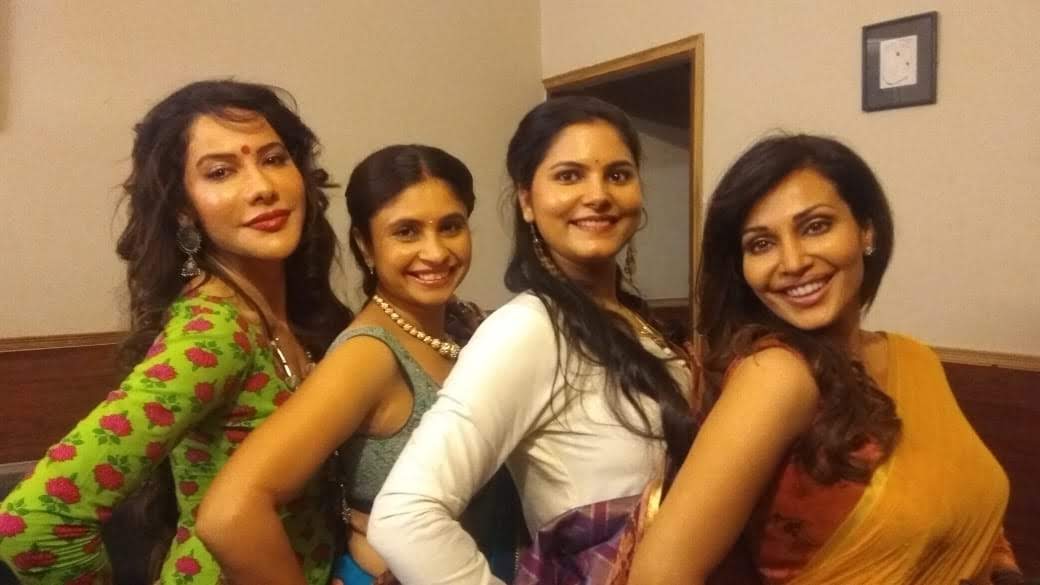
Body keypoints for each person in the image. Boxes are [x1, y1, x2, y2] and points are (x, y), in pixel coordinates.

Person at [627, 134, 1023, 584]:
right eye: (761, 244)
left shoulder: (915, 359)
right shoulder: (777, 376)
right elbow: (657, 575)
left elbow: (970, 510)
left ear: (866, 230)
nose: (792, 262)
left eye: (815, 226)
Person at [0, 80, 352, 584]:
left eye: (274, 159)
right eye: (221, 172)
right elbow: (32, 523)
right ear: (184, 208)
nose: (261, 187)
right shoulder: (213, 335)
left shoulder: (283, 310)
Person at [365, 96, 696, 585]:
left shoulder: (630, 319)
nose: (598, 194)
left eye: (618, 174)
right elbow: (404, 515)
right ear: (526, 200)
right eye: (569, 175)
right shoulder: (529, 329)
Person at [197, 144, 519, 585]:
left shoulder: (459, 327)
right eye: (406, 232)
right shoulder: (368, 355)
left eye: (450, 226)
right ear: (365, 245)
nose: (435, 252)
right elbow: (228, 515)